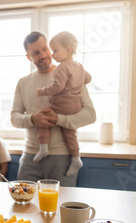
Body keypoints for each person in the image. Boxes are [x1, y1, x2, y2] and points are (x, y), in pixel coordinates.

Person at [11, 31, 96, 186]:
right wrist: (32, 119)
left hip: (63, 158)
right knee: (23, 205)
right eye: (36, 53)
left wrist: (59, 119)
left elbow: (90, 115)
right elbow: (14, 117)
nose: (43, 55)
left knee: (60, 208)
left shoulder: (72, 73)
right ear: (29, 57)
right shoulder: (23, 83)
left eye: (45, 49)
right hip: (30, 156)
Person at [34, 31, 92, 176]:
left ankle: (43, 147)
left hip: (62, 104)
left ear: (68, 49)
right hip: (75, 105)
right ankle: (76, 157)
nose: (53, 55)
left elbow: (57, 87)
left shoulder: (62, 67)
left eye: (55, 51)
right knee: (69, 133)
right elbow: (88, 78)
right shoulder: (79, 66)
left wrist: (42, 91)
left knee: (43, 117)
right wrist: (78, 83)